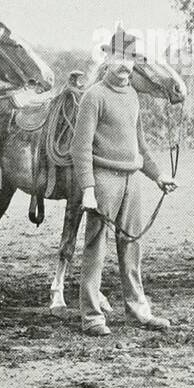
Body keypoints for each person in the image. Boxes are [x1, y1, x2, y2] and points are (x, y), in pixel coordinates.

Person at [73, 26, 177, 337]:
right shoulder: (93, 97)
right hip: (104, 181)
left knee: (132, 247)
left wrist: (158, 176)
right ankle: (91, 316)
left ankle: (138, 311)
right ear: (107, 58)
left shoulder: (132, 95)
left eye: (130, 59)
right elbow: (80, 148)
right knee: (95, 248)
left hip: (133, 182)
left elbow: (140, 147)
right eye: (119, 57)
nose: (124, 65)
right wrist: (88, 190)